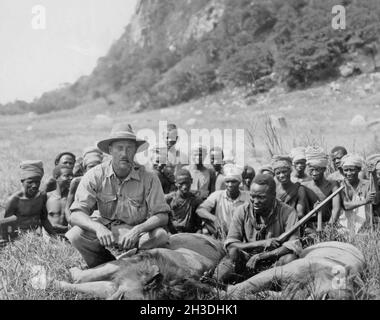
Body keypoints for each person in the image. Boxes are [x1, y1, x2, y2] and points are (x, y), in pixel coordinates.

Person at [65, 123, 171, 268]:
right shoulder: (95, 174)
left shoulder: (149, 177)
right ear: (110, 150)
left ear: (135, 150)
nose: (124, 153)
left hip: (136, 232)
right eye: (119, 148)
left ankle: (133, 261)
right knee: (75, 235)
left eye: (129, 148)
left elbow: (162, 215)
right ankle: (102, 264)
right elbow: (76, 214)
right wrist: (97, 228)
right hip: (105, 230)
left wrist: (137, 230)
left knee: (160, 236)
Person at [211, 174, 301, 285]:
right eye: (252, 196)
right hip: (248, 261)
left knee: (290, 259)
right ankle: (214, 283)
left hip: (274, 260)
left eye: (261, 197)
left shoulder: (288, 212)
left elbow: (292, 246)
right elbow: (231, 244)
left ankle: (277, 287)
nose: (255, 201)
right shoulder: (242, 210)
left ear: (273, 195)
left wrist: (262, 256)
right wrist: (261, 243)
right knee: (233, 253)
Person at [1, 161, 55, 241]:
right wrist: (8, 241)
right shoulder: (14, 200)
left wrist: (54, 235)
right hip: (18, 238)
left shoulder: (42, 196)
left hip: (37, 236)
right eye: (30, 182)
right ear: (22, 181)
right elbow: (6, 225)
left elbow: (44, 219)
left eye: (37, 182)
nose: (34, 185)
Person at [196, 164, 250, 239]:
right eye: (227, 182)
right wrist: (214, 219)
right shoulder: (217, 195)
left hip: (242, 235)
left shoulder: (247, 197)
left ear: (239, 182)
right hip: (222, 234)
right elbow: (200, 210)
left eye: (233, 182)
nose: (230, 185)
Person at [336, 154, 379, 234]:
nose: (348, 173)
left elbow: (375, 201)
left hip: (364, 231)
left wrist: (373, 175)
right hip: (343, 231)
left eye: (352, 170)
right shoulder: (339, 185)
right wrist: (365, 201)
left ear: (359, 169)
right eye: (346, 170)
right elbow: (346, 205)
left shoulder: (367, 184)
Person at [303, 146, 341, 233]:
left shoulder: (333, 185)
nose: (314, 173)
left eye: (317, 169)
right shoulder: (304, 186)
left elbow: (336, 209)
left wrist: (329, 227)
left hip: (329, 224)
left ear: (324, 169)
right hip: (310, 226)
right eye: (311, 169)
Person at [64, 147, 104, 224]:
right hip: (81, 220)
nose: (95, 169)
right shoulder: (76, 182)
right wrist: (70, 221)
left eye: (98, 166)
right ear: (84, 169)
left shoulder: (107, 182)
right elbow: (67, 208)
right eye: (91, 166)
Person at [165, 169, 203, 234]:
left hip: (190, 234)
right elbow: (164, 221)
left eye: (187, 183)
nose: (185, 187)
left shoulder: (195, 200)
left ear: (191, 181)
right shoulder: (169, 200)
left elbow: (199, 225)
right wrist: (168, 233)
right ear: (176, 183)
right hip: (173, 234)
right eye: (181, 183)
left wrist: (197, 236)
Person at [46, 165, 74, 235]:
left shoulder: (74, 198)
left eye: (72, 175)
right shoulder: (47, 197)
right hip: (50, 236)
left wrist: (65, 228)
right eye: (66, 176)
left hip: (68, 236)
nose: (71, 178)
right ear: (56, 177)